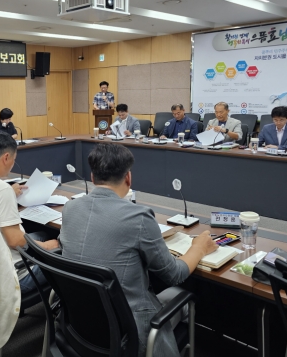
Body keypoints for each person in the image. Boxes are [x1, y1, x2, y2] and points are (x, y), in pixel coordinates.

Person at [60, 143, 217, 357]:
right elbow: (174, 275)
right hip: (129, 328)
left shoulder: (70, 208)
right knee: (181, 297)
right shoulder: (139, 217)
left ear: (92, 176)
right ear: (128, 178)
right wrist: (198, 248)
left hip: (80, 322)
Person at [0, 133, 59, 296]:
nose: (13, 164)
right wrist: (48, 247)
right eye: (14, 160)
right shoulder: (1, 189)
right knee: (60, 254)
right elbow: (15, 241)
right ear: (6, 157)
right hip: (12, 274)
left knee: (42, 234)